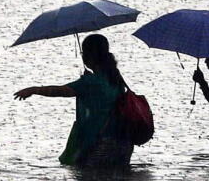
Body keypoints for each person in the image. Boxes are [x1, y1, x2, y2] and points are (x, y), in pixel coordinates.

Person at [14, 34, 133, 168]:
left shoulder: (90, 82)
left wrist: (33, 90)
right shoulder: (116, 79)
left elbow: (61, 91)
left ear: (90, 55)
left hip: (100, 144)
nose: (82, 55)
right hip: (124, 143)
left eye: (83, 52)